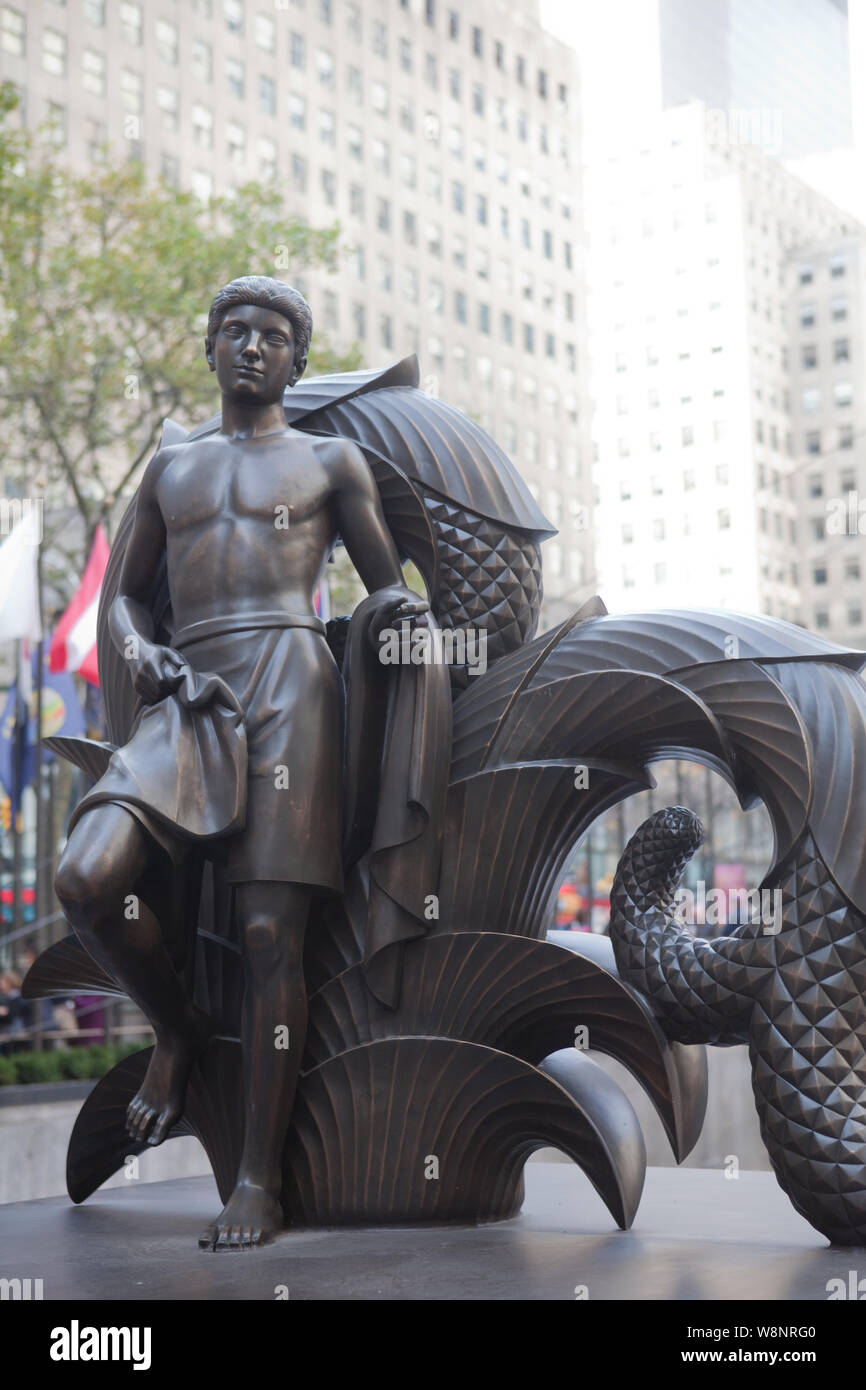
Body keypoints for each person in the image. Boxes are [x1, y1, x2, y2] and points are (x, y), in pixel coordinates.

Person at [54, 276, 430, 1249]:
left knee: (271, 934)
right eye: (235, 331)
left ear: (296, 361)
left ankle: (258, 1179)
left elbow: (388, 590)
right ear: (211, 348)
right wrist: (140, 659)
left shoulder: (330, 460)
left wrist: (402, 622)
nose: (252, 346)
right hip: (184, 692)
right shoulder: (170, 466)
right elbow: (128, 599)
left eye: (271, 334)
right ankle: (176, 1032)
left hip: (287, 685)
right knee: (86, 877)